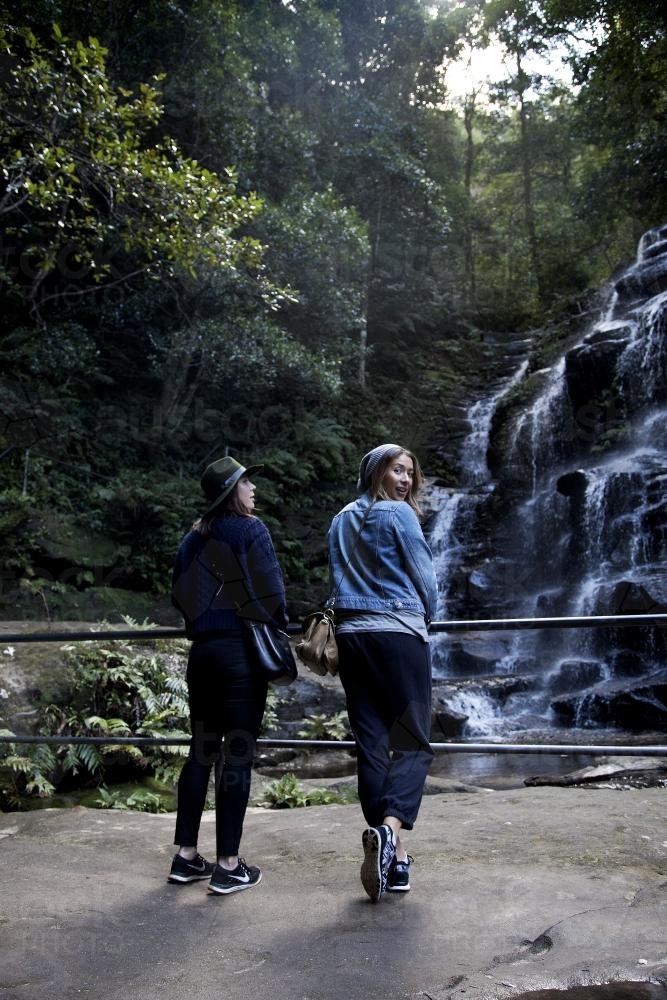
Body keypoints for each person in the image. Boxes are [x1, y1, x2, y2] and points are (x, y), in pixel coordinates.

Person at [168, 455, 289, 894]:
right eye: (245, 482)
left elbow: (180, 596)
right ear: (231, 493)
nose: (252, 489)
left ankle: (185, 858)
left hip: (202, 656)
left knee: (200, 751)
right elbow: (274, 597)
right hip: (240, 655)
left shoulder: (191, 539)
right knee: (236, 753)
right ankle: (228, 866)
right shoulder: (251, 530)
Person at [327, 443, 438, 902]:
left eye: (410, 472)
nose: (406, 480)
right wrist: (426, 616)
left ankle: (396, 860)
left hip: (353, 639)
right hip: (397, 635)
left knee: (371, 745)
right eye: (397, 470)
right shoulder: (398, 515)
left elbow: (335, 578)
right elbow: (423, 575)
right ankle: (391, 830)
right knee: (412, 742)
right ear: (376, 472)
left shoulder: (340, 520)